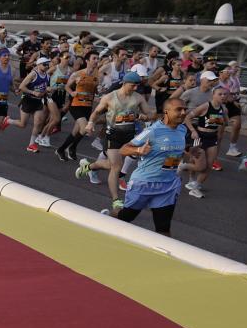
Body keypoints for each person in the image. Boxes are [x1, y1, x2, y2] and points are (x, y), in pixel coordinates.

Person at [97, 96, 189, 235]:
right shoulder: (153, 131)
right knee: (126, 217)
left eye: (185, 109)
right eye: (178, 110)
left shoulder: (182, 129)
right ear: (166, 112)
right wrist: (139, 150)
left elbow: (175, 149)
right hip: (144, 183)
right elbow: (124, 149)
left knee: (163, 229)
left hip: (168, 185)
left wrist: (190, 152)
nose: (183, 113)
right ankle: (106, 219)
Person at [76, 71, 151, 213]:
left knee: (111, 165)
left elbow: (150, 114)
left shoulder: (138, 98)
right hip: (113, 135)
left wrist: (142, 116)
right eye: (133, 85)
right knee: (116, 166)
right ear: (125, 83)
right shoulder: (110, 97)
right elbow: (96, 112)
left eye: (137, 86)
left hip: (129, 135)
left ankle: (88, 167)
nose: (135, 88)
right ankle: (116, 200)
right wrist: (91, 123)